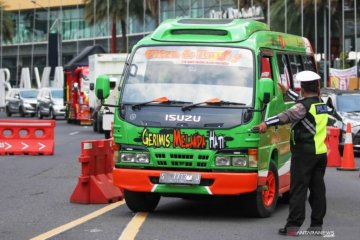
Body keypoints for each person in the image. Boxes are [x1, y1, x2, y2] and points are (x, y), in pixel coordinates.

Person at [257, 70, 328, 236]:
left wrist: (265, 123)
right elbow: (302, 102)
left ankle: (293, 227)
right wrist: (286, 91)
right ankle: (317, 226)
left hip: (304, 154)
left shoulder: (302, 107)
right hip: (320, 153)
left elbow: (287, 115)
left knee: (298, 190)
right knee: (318, 191)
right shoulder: (320, 103)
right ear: (317, 87)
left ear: (302, 89)